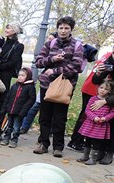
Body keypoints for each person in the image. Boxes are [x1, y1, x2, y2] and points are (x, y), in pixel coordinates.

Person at [33, 16, 84, 158]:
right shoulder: (50, 43)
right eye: (61, 28)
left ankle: (58, 146)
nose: (63, 31)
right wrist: (53, 59)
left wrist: (55, 71)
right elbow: (38, 62)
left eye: (66, 28)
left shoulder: (77, 45)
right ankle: (43, 143)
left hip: (64, 85)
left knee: (59, 117)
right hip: (46, 84)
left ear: (71, 29)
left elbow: (76, 66)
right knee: (44, 116)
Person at [84, 48, 114, 165]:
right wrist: (99, 72)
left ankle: (109, 152)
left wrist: (106, 101)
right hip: (110, 93)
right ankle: (100, 151)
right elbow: (96, 81)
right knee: (105, 126)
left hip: (109, 97)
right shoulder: (110, 60)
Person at [77, 81, 114, 164]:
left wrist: (105, 118)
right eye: (101, 88)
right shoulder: (93, 98)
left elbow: (112, 112)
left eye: (106, 89)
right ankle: (85, 156)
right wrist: (94, 117)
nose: (103, 90)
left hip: (101, 126)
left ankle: (93, 158)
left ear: (110, 91)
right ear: (98, 88)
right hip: (91, 123)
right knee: (88, 140)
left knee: (96, 142)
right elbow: (87, 110)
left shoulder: (110, 102)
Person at [0, 68, 36, 148]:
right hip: (10, 110)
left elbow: (31, 100)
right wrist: (4, 109)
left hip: (19, 112)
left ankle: (14, 139)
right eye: (19, 75)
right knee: (9, 126)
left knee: (16, 127)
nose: (20, 77)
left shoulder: (30, 87)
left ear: (28, 76)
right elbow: (8, 98)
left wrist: (23, 111)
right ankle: (6, 138)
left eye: (23, 75)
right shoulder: (14, 86)